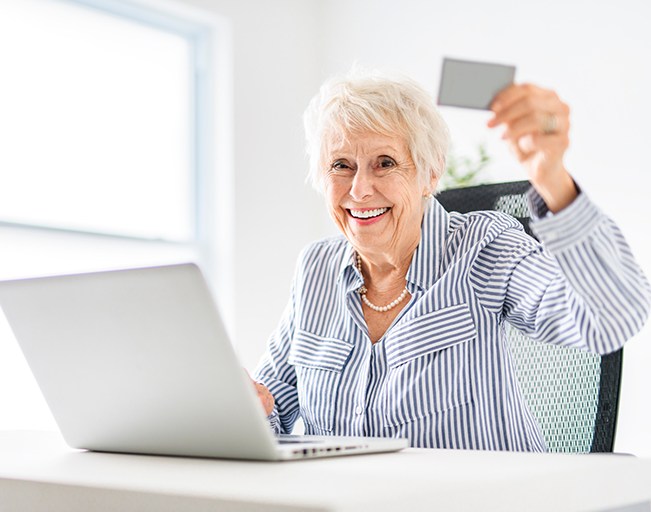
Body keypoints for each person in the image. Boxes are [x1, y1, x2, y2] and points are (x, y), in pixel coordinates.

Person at [250, 70, 651, 451]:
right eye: (341, 166)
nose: (359, 189)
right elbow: (270, 414)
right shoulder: (316, 269)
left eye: (385, 163)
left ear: (430, 173)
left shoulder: (484, 246)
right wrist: (246, 407)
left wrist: (553, 179)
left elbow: (608, 319)